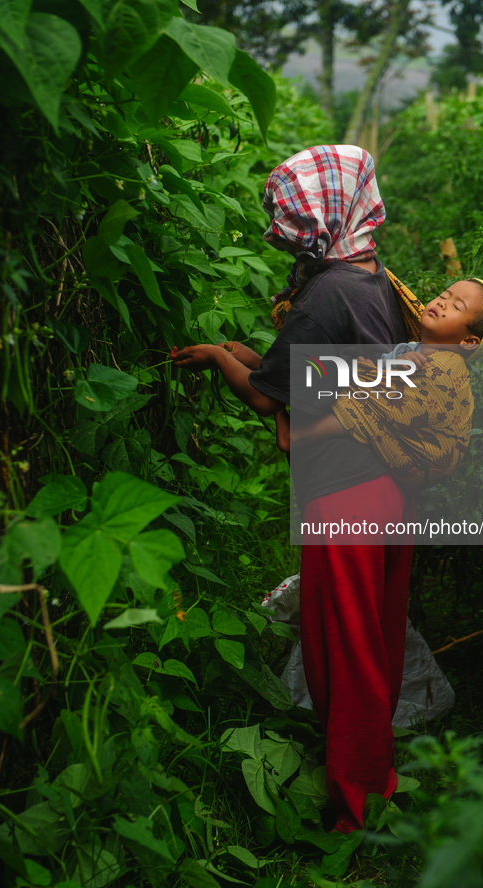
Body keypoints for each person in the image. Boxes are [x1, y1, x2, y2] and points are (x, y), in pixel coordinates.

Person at [173, 145, 436, 834]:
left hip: (344, 494)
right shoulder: (372, 277)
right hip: (389, 485)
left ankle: (356, 802)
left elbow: (271, 403)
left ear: (318, 213)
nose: (281, 227)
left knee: (341, 647)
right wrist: (239, 356)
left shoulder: (322, 294)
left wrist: (212, 359)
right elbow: (308, 378)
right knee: (372, 634)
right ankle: (374, 768)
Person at [274, 278, 483, 491]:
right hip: (378, 425)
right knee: (353, 381)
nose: (442, 303)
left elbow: (411, 402)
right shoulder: (408, 348)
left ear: (468, 342)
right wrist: (385, 368)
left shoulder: (448, 367)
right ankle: (271, 372)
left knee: (360, 405)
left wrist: (371, 373)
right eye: (443, 295)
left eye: (456, 306)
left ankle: (297, 435)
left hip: (422, 454)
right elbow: (378, 372)